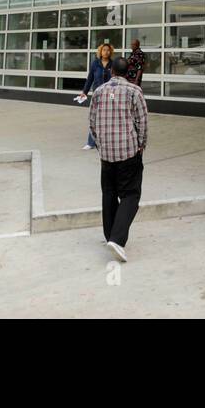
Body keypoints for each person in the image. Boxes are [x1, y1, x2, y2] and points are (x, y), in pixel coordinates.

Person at [88, 55, 148, 263]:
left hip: (107, 155)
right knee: (131, 195)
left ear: (112, 71)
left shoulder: (98, 92)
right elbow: (142, 122)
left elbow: (92, 123)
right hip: (128, 153)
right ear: (127, 72)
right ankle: (117, 239)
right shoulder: (134, 91)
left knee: (109, 193)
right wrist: (141, 145)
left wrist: (100, 145)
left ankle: (109, 235)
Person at [80, 43, 115, 150]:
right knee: (94, 118)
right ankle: (91, 143)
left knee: (109, 119)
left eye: (108, 50)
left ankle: (107, 142)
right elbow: (90, 78)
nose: (106, 52)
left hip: (110, 95)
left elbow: (116, 80)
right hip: (97, 95)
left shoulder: (113, 64)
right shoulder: (95, 63)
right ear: (100, 51)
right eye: (104, 50)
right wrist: (84, 92)